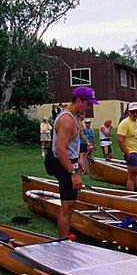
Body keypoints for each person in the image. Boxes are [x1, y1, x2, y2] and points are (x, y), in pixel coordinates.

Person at [45, 86, 97, 236]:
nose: (89, 107)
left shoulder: (72, 117)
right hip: (62, 165)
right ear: (79, 100)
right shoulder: (67, 119)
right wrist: (73, 173)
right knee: (67, 206)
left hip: (67, 162)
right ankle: (63, 242)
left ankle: (64, 240)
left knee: (69, 205)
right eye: (88, 103)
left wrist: (78, 160)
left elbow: (68, 147)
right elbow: (60, 149)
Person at [116, 102, 137, 191]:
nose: (135, 114)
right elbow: (120, 139)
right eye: (133, 112)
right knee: (132, 176)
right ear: (129, 112)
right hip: (132, 152)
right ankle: (132, 195)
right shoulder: (124, 123)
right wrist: (127, 154)